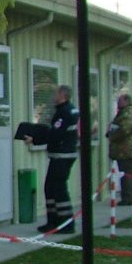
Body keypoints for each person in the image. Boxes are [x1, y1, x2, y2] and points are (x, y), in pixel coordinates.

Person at [24, 84, 80, 234]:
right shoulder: (71, 109)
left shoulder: (64, 112)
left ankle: (64, 224)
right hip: (64, 154)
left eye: (55, 93)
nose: (53, 96)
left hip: (62, 155)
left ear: (62, 95)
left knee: (57, 189)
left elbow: (55, 134)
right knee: (51, 187)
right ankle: (54, 222)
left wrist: (34, 139)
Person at [107, 92, 132, 206]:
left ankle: (128, 198)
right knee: (127, 174)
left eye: (120, 100)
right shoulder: (123, 113)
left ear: (127, 101)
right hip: (124, 150)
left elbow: (124, 129)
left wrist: (111, 135)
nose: (118, 102)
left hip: (127, 149)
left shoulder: (129, 113)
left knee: (128, 174)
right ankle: (127, 196)